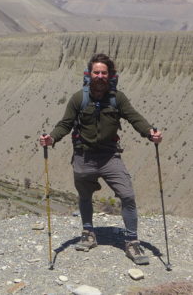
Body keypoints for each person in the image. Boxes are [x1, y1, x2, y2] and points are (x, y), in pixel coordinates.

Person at [39, 53, 163, 265]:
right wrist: (52, 138)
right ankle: (88, 231)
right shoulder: (79, 98)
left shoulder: (117, 99)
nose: (100, 76)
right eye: (96, 72)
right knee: (85, 196)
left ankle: (132, 241)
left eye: (104, 73)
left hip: (109, 157)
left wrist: (150, 132)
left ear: (110, 75)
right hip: (83, 157)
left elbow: (135, 118)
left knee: (128, 195)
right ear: (89, 74)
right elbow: (65, 124)